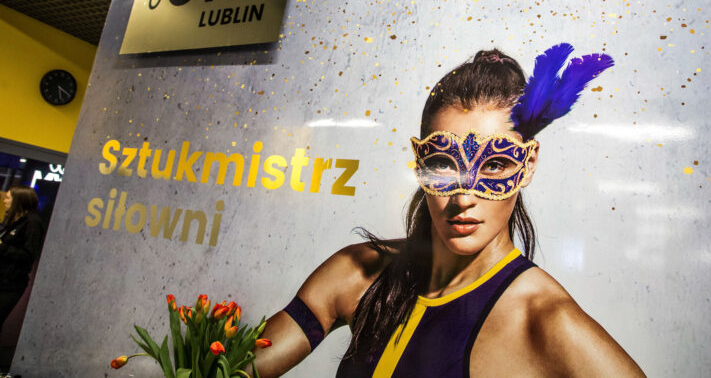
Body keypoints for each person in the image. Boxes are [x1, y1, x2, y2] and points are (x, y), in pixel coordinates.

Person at [251, 44, 645, 377]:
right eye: (443, 163)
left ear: (526, 165)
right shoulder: (358, 273)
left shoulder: (543, 321)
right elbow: (233, 367)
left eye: (493, 165)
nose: (463, 197)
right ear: (420, 161)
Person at [0, 186, 44, 329]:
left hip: (10, 285)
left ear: (19, 200)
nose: (5, 200)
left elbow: (28, 255)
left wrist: (2, 246)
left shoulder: (33, 223)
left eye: (8, 198)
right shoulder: (13, 218)